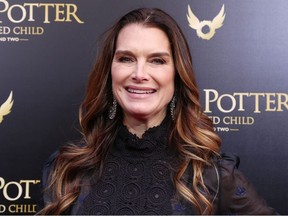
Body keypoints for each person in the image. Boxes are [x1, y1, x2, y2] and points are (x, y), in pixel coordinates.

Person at [39, 8, 277, 215]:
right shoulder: (68, 168)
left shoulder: (210, 173)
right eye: (126, 58)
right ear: (109, 72)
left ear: (177, 75)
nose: (139, 73)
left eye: (157, 61)